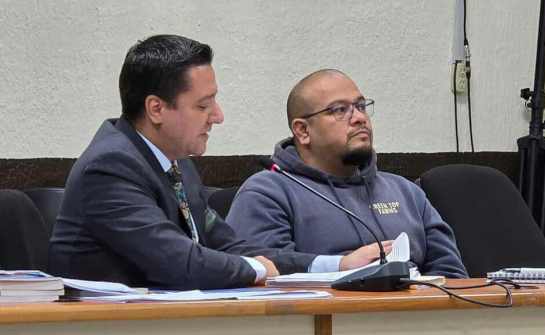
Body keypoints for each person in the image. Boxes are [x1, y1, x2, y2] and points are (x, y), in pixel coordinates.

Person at [48, 34, 315, 289]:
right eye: (203, 106)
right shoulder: (109, 167)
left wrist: (334, 265)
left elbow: (230, 246)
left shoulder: (177, 162)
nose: (218, 116)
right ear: (156, 109)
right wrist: (255, 269)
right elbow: (176, 261)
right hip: (99, 330)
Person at [226, 69, 468, 278]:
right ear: (302, 131)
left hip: (415, 324)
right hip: (324, 326)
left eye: (361, 106)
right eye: (340, 110)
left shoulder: (406, 192)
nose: (360, 118)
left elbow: (452, 276)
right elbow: (266, 277)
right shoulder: (267, 193)